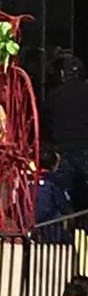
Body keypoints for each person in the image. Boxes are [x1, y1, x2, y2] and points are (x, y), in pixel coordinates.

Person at [47, 56, 88, 211]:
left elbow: (47, 124)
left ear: (62, 74)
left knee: (62, 192)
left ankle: (65, 227)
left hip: (63, 150)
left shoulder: (53, 97)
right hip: (85, 148)